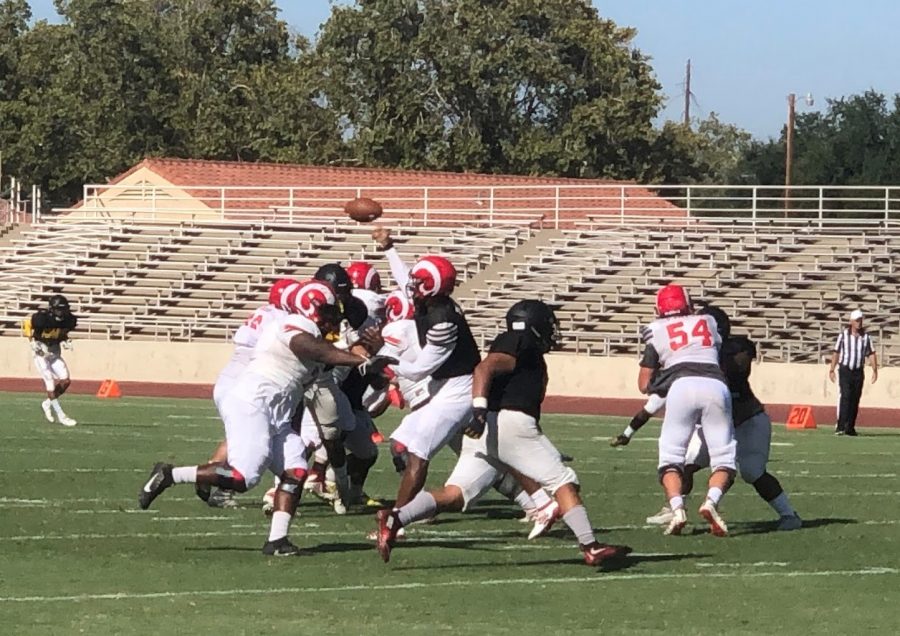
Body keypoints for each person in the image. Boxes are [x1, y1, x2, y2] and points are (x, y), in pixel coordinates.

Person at [137, 279, 394, 556]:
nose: (335, 319)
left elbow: (328, 364)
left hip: (277, 414)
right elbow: (311, 348)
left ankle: (277, 540)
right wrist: (359, 361)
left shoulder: (317, 337)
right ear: (313, 309)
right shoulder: (293, 326)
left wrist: (373, 352)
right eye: (330, 313)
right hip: (253, 404)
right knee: (242, 478)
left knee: (295, 470)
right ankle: (170, 474)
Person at [374, 300, 631, 566]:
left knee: (454, 494)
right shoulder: (519, 341)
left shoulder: (522, 347)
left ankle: (396, 518)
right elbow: (485, 367)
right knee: (564, 482)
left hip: (489, 434)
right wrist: (479, 409)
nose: (552, 330)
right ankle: (590, 545)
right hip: (508, 424)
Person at [638, 305, 802, 531]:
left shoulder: (735, 350)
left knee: (753, 471)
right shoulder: (698, 353)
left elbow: (739, 365)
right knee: (686, 464)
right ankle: (676, 509)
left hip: (747, 421)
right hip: (716, 423)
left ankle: (789, 514)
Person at [639, 284, 736, 536]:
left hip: (681, 387)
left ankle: (677, 506)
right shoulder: (708, 322)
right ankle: (711, 501)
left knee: (671, 457)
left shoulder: (654, 329)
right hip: (716, 385)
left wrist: (664, 377)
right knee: (724, 458)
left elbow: (644, 385)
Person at [25, 294, 78, 427]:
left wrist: (65, 339)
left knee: (66, 380)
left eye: (64, 309)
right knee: (49, 381)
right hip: (40, 352)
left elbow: (61, 332)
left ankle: (47, 403)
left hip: (54, 352)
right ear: (52, 309)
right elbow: (26, 324)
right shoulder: (42, 318)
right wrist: (31, 341)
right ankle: (61, 415)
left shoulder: (68, 320)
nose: (62, 312)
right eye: (59, 309)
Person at [829, 309, 877, 437]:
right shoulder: (843, 335)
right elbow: (836, 352)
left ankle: (850, 427)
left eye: (860, 320)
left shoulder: (866, 337)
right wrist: (832, 369)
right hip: (845, 370)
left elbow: (871, 353)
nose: (859, 323)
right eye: (857, 320)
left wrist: (875, 370)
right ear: (851, 321)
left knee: (855, 399)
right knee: (845, 396)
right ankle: (840, 426)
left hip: (858, 371)